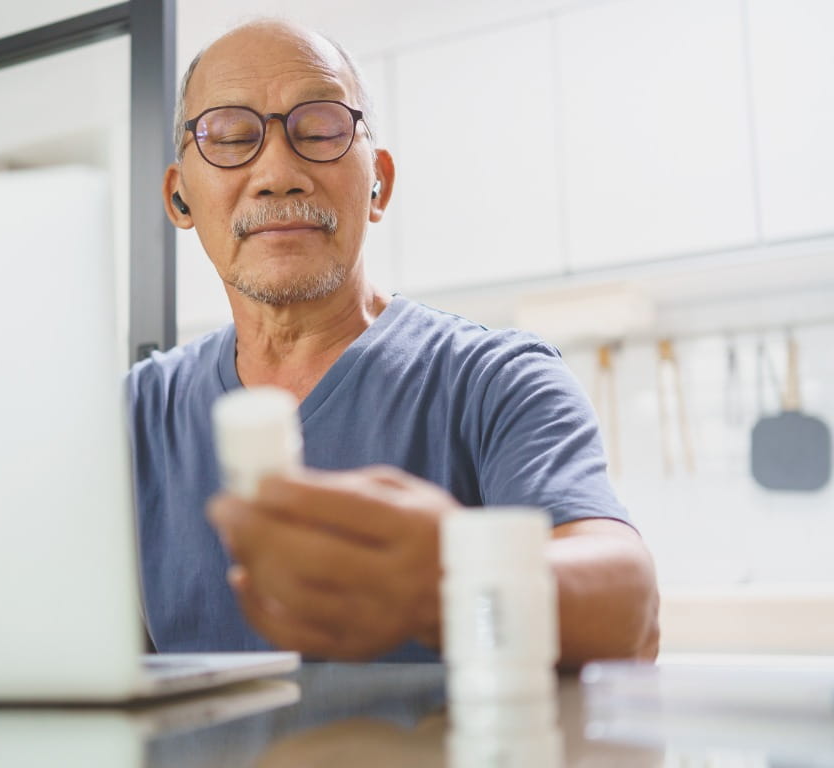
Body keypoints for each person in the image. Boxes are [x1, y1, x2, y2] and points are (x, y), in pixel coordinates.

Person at [128, 18, 659, 667]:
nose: (277, 172)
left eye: (319, 130)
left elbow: (630, 613)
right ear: (179, 196)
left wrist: (447, 587)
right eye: (232, 137)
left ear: (378, 182)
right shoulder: (135, 414)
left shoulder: (495, 381)